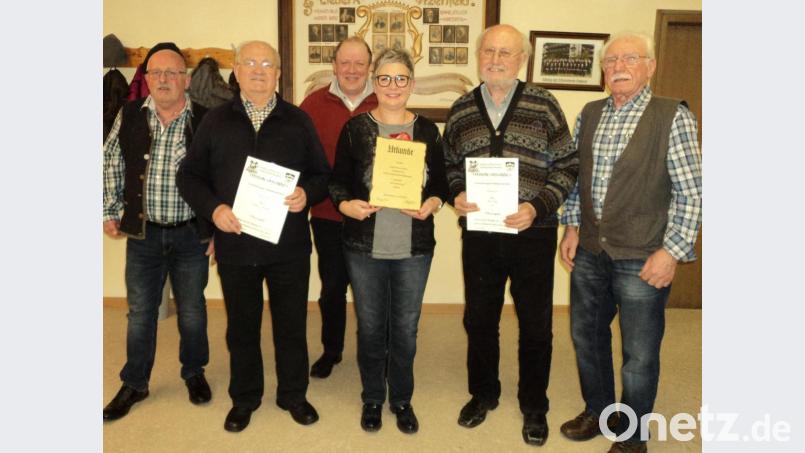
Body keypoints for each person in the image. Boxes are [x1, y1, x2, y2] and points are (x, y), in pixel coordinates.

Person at [176, 40, 331, 433]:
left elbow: (322, 175)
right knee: (242, 328)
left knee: (291, 325)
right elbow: (189, 176)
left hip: (289, 247)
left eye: (267, 64)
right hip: (236, 245)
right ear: (238, 72)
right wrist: (214, 210)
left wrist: (306, 194)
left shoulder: (297, 120)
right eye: (250, 63)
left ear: (279, 74)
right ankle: (245, 398)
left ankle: (293, 394)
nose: (259, 70)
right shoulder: (215, 120)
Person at [558, 32, 702, 453]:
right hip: (590, 251)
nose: (618, 66)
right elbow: (576, 179)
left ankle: (633, 435)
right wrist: (571, 227)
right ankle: (599, 410)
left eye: (629, 58)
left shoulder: (672, 116)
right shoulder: (589, 112)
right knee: (588, 337)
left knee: (639, 353)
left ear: (650, 66)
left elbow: (693, 192)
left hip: (643, 256)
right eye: (610, 61)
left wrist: (671, 251)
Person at [443, 24, 578, 447]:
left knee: (536, 323)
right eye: (489, 51)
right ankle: (483, 393)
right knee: (479, 318)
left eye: (505, 52)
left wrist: (537, 207)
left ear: (521, 59)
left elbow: (569, 165)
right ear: (479, 55)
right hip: (481, 235)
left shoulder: (543, 103)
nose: (496, 59)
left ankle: (534, 405)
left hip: (532, 234)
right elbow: (448, 166)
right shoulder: (463, 108)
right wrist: (456, 194)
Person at [329, 48, 448, 434]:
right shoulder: (355, 128)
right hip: (365, 246)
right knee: (370, 326)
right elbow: (337, 182)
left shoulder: (428, 131)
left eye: (400, 79)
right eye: (384, 78)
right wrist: (347, 206)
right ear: (373, 83)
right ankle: (372, 398)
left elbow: (442, 184)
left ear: (411, 85)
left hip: (413, 247)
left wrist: (432, 203)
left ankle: (401, 398)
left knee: (406, 327)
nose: (392, 86)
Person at [102, 42, 213, 421]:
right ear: (145, 79)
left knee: (194, 310)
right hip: (143, 234)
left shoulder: (205, 118)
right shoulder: (130, 113)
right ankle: (135, 381)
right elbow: (111, 160)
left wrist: (217, 228)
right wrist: (109, 209)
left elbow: (221, 175)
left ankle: (193, 372)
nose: (164, 79)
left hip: (190, 234)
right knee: (140, 313)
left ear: (186, 79)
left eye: (172, 73)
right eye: (156, 73)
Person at [299, 37, 378, 379]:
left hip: (374, 215)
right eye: (345, 63)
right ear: (333, 65)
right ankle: (332, 351)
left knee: (372, 289)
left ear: (370, 67)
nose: (351, 70)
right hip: (328, 214)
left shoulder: (384, 100)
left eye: (359, 63)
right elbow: (297, 156)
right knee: (332, 287)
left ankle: (373, 353)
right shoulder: (312, 105)